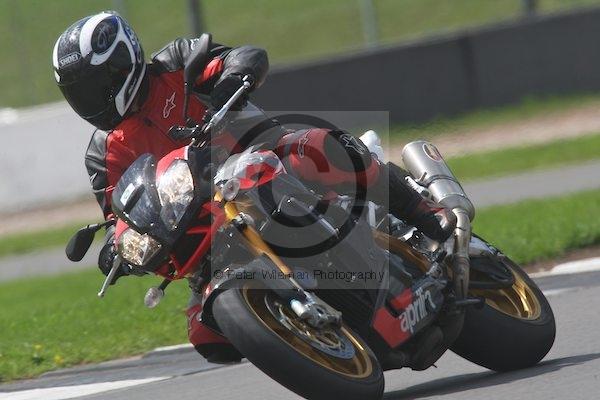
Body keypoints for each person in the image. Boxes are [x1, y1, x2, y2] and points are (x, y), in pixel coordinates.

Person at [53, 11, 455, 363]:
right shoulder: (103, 153)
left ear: (122, 64)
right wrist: (116, 247)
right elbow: (119, 214)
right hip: (202, 225)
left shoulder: (176, 63)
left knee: (320, 149)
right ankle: (314, 345)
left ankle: (425, 211)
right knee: (207, 334)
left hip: (266, 159)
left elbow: (244, 56)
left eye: (93, 86)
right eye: (77, 93)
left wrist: (232, 78)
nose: (88, 101)